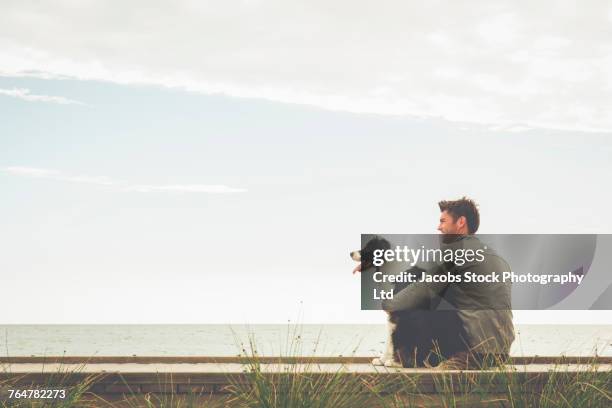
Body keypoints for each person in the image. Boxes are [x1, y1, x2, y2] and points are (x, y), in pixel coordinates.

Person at [381, 197, 514, 369]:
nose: (439, 227)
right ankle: (409, 354)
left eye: (443, 221)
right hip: (501, 352)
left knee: (415, 277)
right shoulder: (497, 258)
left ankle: (406, 354)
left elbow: (422, 288)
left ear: (460, 222)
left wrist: (389, 304)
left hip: (473, 351)